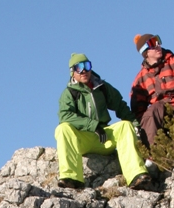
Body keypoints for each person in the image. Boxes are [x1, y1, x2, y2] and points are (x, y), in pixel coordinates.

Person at [55, 53, 152, 190]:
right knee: (62, 128)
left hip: (104, 138)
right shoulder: (69, 93)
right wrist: (93, 125)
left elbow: (120, 106)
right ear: (72, 72)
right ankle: (71, 178)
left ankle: (136, 175)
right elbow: (65, 116)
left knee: (125, 125)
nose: (84, 71)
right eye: (79, 67)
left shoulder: (102, 87)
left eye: (86, 66)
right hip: (83, 139)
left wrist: (136, 126)